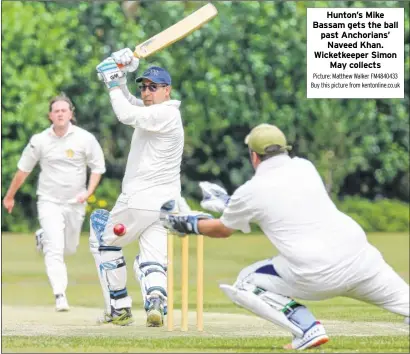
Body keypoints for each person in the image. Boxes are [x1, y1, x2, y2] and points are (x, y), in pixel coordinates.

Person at [164, 123, 410, 350]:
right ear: (284, 149)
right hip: (361, 259)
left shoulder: (251, 191)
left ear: (253, 155)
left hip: (316, 273)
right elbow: (283, 205)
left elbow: (223, 230)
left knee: (246, 282)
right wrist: (230, 204)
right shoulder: (305, 167)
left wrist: (188, 224)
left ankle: (307, 328)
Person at [91, 48, 184, 327]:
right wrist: (123, 74)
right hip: (165, 207)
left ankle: (119, 307)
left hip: (138, 201)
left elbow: (124, 113)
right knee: (153, 258)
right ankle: (156, 302)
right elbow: (130, 104)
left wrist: (111, 80)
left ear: (167, 90)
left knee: (103, 239)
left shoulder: (165, 114)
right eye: (143, 86)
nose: (146, 92)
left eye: (153, 87)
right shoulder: (157, 112)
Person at [3, 94, 106, 312]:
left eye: (64, 110)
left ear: (71, 113)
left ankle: (43, 237)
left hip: (75, 202)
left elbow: (97, 167)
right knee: (55, 249)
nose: (60, 114)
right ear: (50, 115)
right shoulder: (39, 140)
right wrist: (10, 195)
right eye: (56, 111)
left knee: (70, 247)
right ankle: (60, 295)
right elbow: (24, 170)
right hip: (49, 201)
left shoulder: (84, 139)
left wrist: (88, 192)